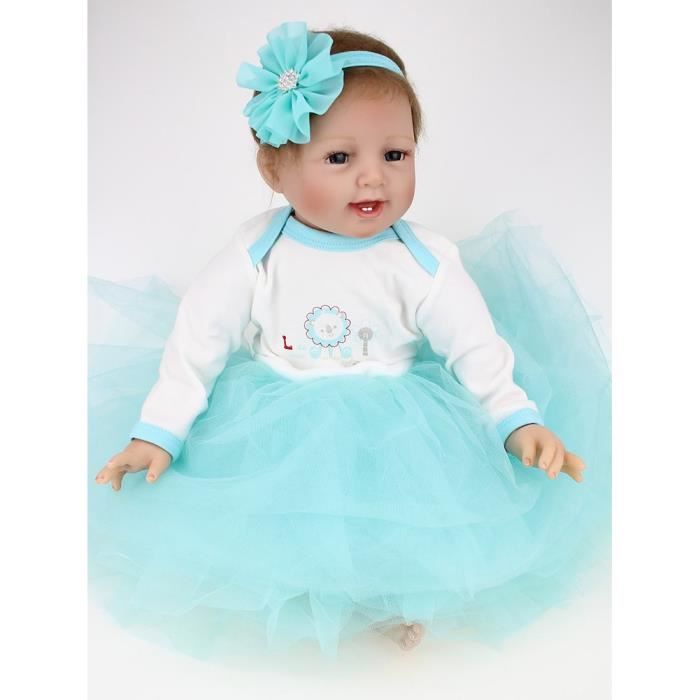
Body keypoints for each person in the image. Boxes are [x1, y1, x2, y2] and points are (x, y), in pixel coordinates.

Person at [89, 20, 611, 660]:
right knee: (284, 510)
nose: (373, 179)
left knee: (392, 514)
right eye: (340, 158)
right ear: (275, 166)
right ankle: (290, 592)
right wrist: (159, 430)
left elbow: (474, 345)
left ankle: (390, 597)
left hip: (394, 421)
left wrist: (514, 418)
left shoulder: (421, 260)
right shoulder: (258, 251)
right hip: (277, 413)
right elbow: (198, 338)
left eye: (395, 155)